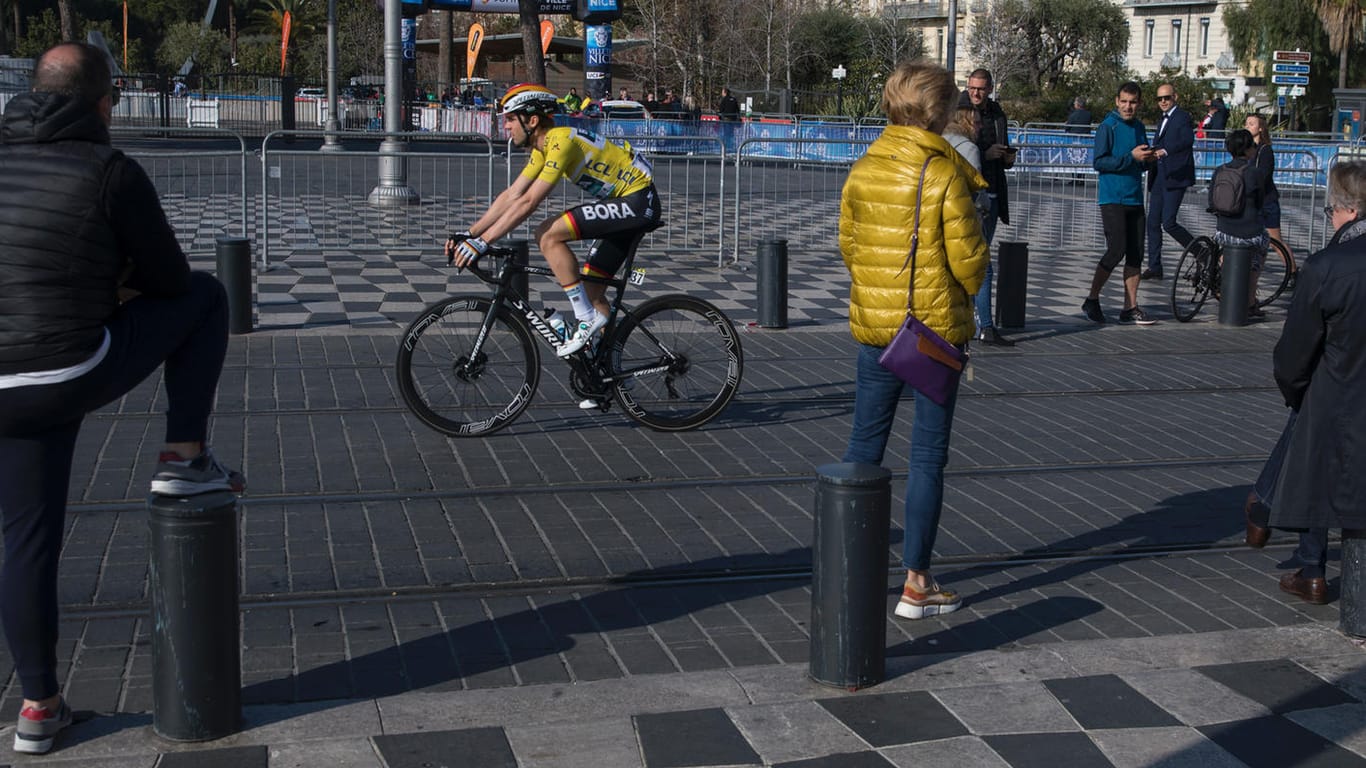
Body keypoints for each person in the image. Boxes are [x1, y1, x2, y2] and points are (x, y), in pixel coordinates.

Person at [0, 42, 243, 756]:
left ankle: (38, 706)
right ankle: (184, 452)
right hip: (67, 365)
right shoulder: (109, 170)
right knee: (207, 296)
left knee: (24, 540)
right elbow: (170, 280)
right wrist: (119, 287)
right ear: (102, 103)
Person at [839, 60, 989, 620]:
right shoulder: (945, 173)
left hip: (876, 332)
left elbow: (849, 246)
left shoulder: (863, 167)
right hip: (931, 335)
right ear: (939, 112)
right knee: (927, 457)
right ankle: (916, 583)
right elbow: (969, 263)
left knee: (862, 450)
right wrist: (967, 294)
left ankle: (849, 569)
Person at [446, 84, 660, 393]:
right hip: (626, 206)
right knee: (593, 290)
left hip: (637, 202)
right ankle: (604, 380)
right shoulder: (542, 148)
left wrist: (482, 243)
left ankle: (585, 319)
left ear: (531, 121)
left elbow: (528, 203)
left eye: (509, 119)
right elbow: (512, 194)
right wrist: (472, 233)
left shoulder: (560, 142)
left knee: (546, 233)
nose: (505, 127)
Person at [1264, 161, 1366, 613]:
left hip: (1334, 393)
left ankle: (1314, 571)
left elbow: (1293, 353)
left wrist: (1298, 393)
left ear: (1345, 209)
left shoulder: (1326, 266)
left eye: (1329, 211)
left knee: (1319, 474)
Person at [1082, 81, 1159, 325]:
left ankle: (1130, 307)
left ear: (1139, 103)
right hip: (1113, 197)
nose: (1128, 107)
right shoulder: (1108, 126)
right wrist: (1131, 157)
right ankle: (1092, 298)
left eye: (1133, 102)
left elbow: (1141, 161)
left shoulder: (1138, 127)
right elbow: (1100, 162)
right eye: (1124, 101)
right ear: (1117, 101)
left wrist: (1149, 159)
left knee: (1136, 253)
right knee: (1117, 250)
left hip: (1135, 197)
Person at [964, 68, 1016, 346]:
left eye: (981, 89)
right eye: (972, 87)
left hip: (994, 191)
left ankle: (973, 320)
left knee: (978, 260)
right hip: (971, 197)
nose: (975, 93)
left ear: (990, 88)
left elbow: (1004, 146)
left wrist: (1007, 157)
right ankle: (984, 324)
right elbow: (959, 153)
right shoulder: (959, 110)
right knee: (982, 263)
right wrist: (984, 155)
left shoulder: (997, 113)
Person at [1209, 129, 1268, 315]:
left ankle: (1224, 277)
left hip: (1224, 230)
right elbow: (1260, 201)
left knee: (1225, 250)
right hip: (1249, 231)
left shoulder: (1220, 170)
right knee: (1259, 253)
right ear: (1249, 149)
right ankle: (1250, 301)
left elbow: (1212, 200)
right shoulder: (1254, 172)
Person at [1141, 83, 1195, 280]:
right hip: (1159, 177)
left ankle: (1201, 253)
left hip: (1175, 176)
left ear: (1175, 97)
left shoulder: (1182, 117)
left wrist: (1166, 150)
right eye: (1159, 98)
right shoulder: (1162, 119)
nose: (1163, 101)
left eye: (1167, 98)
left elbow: (1188, 140)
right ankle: (1155, 266)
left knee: (1169, 223)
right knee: (1153, 222)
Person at [1245, 113, 1285, 249]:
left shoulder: (1265, 149)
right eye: (1246, 124)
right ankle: (1253, 270)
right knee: (1251, 240)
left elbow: (1264, 175)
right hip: (1252, 201)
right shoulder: (1247, 148)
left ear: (1260, 128)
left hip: (1266, 201)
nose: (1247, 127)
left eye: (1251, 124)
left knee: (1275, 242)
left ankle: (1292, 269)